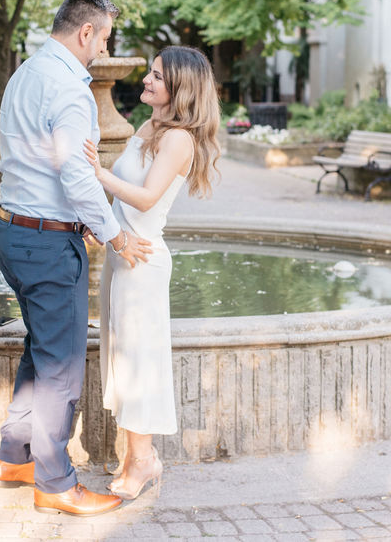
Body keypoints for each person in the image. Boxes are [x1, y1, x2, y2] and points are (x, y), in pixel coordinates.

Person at [0, 0, 153, 517]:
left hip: (12, 230)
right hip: (44, 242)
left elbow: (36, 165)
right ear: (86, 32)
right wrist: (114, 234)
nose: (104, 50)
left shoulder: (26, 74)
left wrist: (78, 220)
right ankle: (56, 484)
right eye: (104, 38)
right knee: (61, 365)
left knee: (41, 349)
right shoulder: (69, 88)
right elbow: (77, 173)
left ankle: (14, 457)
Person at [83, 45, 221, 500]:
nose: (146, 79)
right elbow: (124, 200)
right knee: (122, 358)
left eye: (157, 76)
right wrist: (100, 227)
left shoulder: (180, 138)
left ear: (178, 87)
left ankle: (144, 460)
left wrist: (96, 171)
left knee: (138, 360)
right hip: (124, 254)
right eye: (150, 72)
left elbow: (144, 198)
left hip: (142, 261)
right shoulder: (150, 126)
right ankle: (134, 456)